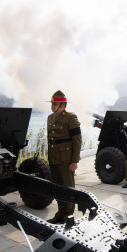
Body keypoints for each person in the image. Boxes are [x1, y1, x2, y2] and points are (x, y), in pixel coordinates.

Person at [46, 90, 82, 222]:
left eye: (55, 104)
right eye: (52, 104)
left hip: (66, 159)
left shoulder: (70, 117)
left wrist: (74, 161)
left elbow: (77, 140)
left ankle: (68, 216)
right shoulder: (50, 117)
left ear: (62, 105)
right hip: (54, 157)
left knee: (68, 188)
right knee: (57, 188)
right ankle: (60, 213)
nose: (52, 106)